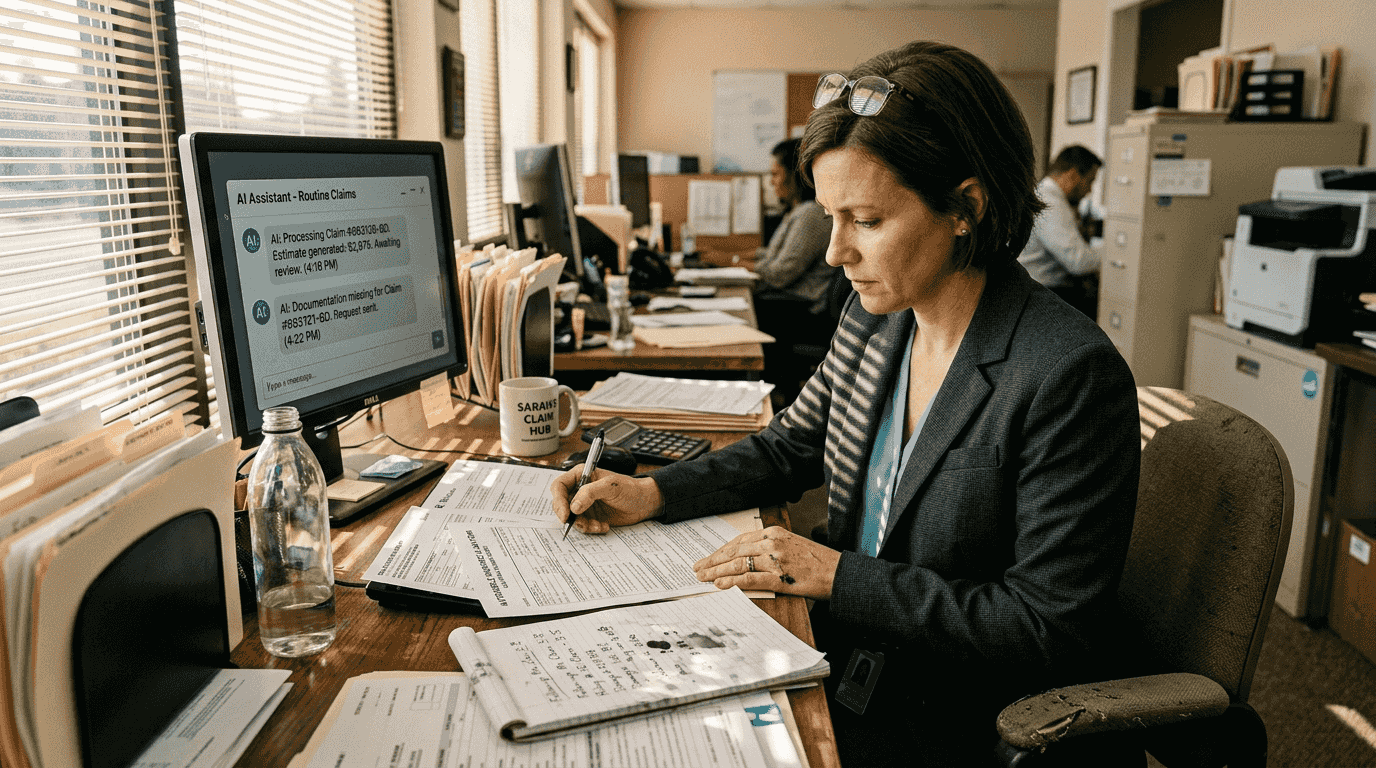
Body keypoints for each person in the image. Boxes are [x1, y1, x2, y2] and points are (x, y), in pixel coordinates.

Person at [552, 41, 1140, 767]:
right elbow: (790, 446)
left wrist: (837, 577)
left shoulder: (1066, 374)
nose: (835, 253)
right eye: (829, 216)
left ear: (966, 207)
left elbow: (1046, 626)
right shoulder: (877, 315)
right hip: (841, 654)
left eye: (865, 220)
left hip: (945, 709)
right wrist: (650, 492)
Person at [702, 138, 836, 402]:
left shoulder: (810, 214)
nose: (772, 181)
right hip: (790, 301)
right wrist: (732, 257)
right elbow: (771, 255)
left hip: (801, 309)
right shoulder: (798, 211)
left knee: (738, 314)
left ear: (795, 175)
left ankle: (759, 396)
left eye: (775, 174)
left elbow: (778, 273)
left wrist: (731, 262)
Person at [1017, 145, 1104, 318]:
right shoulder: (1050, 202)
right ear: (1072, 175)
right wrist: (1114, 258)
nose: (1090, 190)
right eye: (1090, 181)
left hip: (1036, 287)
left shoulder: (1043, 194)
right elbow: (1078, 262)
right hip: (1043, 291)